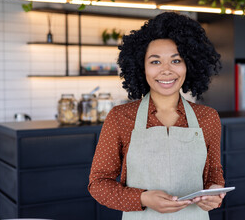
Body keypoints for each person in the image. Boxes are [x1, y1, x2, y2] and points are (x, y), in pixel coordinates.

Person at [88, 12, 225, 220]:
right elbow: (98, 184)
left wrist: (215, 193)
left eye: (176, 60)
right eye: (155, 62)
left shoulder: (208, 118)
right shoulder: (120, 117)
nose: (166, 71)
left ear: (189, 65)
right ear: (141, 67)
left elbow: (214, 173)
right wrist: (143, 199)